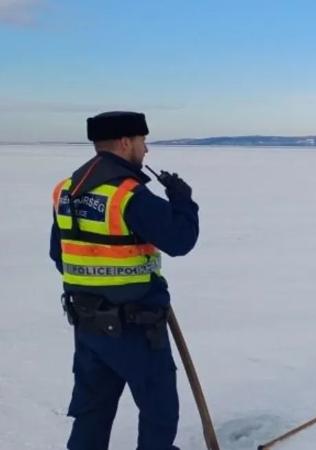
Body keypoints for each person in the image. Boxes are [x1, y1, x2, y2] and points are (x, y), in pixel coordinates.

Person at [49, 111, 199, 449]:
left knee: (93, 411)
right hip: (136, 328)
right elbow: (180, 240)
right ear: (125, 142)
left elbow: (60, 255)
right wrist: (183, 201)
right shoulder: (127, 195)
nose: (146, 151)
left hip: (87, 326)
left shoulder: (67, 190)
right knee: (159, 412)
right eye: (143, 141)